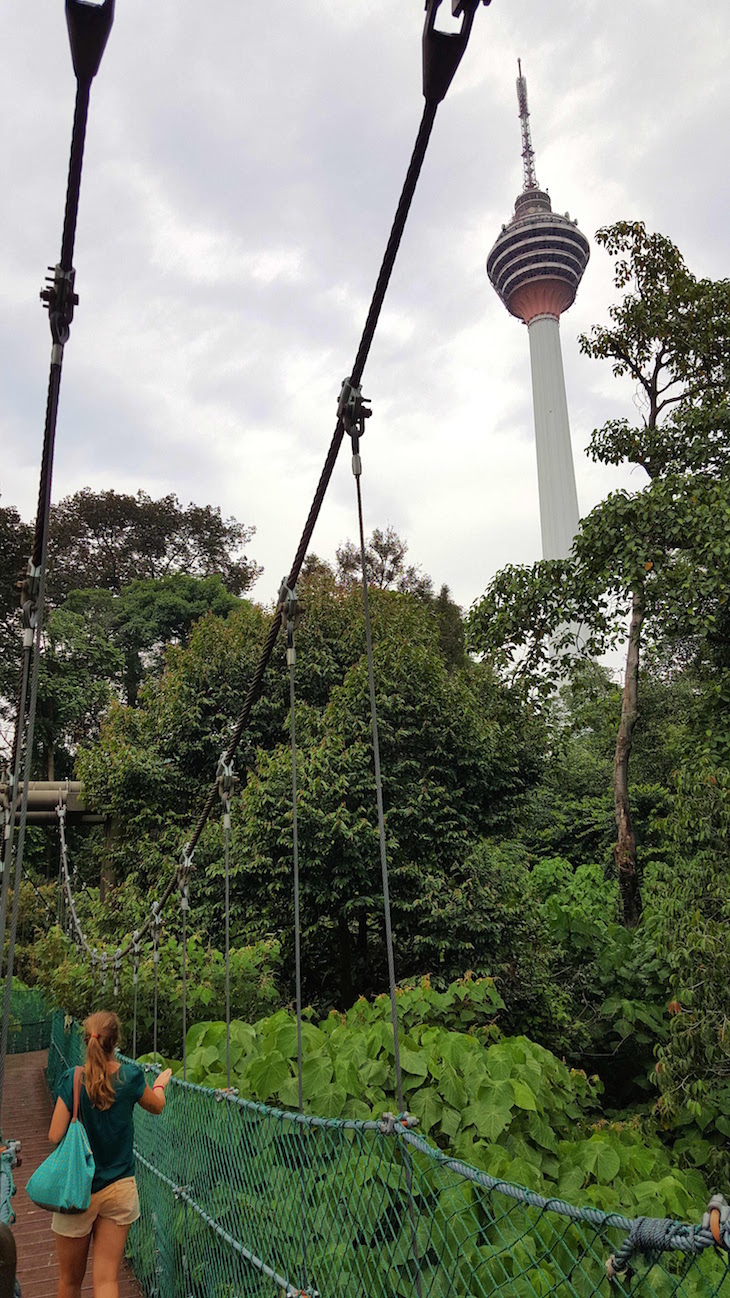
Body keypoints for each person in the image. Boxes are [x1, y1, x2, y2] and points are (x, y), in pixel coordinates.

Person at [47, 1010, 171, 1298]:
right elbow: (157, 1106)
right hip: (119, 1189)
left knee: (69, 1282)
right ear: (115, 1042)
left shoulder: (73, 1080)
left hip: (77, 1190)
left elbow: (54, 1135)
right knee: (106, 1281)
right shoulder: (131, 1077)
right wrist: (160, 1084)